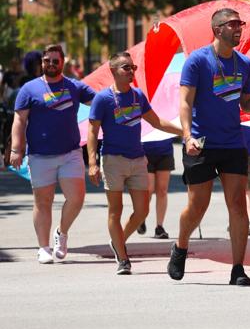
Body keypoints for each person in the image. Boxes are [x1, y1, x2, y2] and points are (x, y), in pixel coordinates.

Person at [168, 7, 250, 286]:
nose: (239, 29)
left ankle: (238, 268)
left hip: (233, 142)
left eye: (240, 24)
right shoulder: (197, 61)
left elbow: (247, 103)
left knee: (237, 204)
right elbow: (185, 102)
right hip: (202, 143)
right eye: (233, 24)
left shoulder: (244, 63)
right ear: (217, 29)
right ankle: (181, 245)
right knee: (198, 206)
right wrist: (187, 137)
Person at [87, 52, 182, 275]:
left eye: (133, 67)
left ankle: (118, 240)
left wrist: (185, 132)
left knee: (142, 211)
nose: (131, 72)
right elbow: (92, 131)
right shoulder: (103, 99)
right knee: (116, 211)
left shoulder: (138, 96)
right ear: (113, 71)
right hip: (113, 160)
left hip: (138, 159)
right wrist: (92, 162)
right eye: (125, 68)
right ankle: (122, 257)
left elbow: (157, 121)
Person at [9, 44, 96, 264]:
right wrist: (16, 149)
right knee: (43, 201)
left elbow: (99, 101)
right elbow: (19, 120)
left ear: (62, 62)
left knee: (76, 198)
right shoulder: (29, 89)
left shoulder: (75, 87)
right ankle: (43, 247)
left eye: (55, 61)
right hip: (40, 155)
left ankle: (62, 232)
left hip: (70, 153)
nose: (50, 64)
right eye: (47, 60)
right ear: (42, 63)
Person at [140, 138, 176, 239]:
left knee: (162, 190)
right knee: (149, 189)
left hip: (165, 152)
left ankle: (159, 227)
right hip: (144, 152)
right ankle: (140, 217)